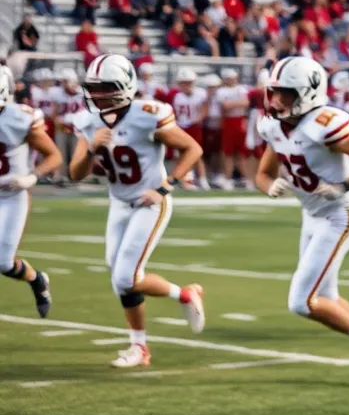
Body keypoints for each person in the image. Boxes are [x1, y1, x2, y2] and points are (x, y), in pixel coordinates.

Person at [67, 54, 206, 367]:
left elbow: (192, 148)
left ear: (123, 88)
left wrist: (164, 187)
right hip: (119, 202)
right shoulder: (88, 121)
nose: (96, 95)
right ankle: (156, 328)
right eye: (93, 88)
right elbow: (74, 174)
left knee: (126, 276)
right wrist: (92, 150)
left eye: (104, 88)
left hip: (148, 202)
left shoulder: (147, 114)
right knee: (122, 280)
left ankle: (144, 344)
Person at [255, 57, 349, 385]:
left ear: (307, 93)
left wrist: (344, 185)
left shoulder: (324, 124)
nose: (276, 101)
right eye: (275, 92)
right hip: (311, 216)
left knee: (301, 301)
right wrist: (270, 187)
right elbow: (263, 173)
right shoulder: (272, 124)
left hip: (339, 215)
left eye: (285, 94)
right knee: (326, 296)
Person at [0, 65, 59, 316]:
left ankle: (36, 280)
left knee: (3, 263)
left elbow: (54, 156)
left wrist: (31, 178)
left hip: (12, 196)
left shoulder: (19, 117)